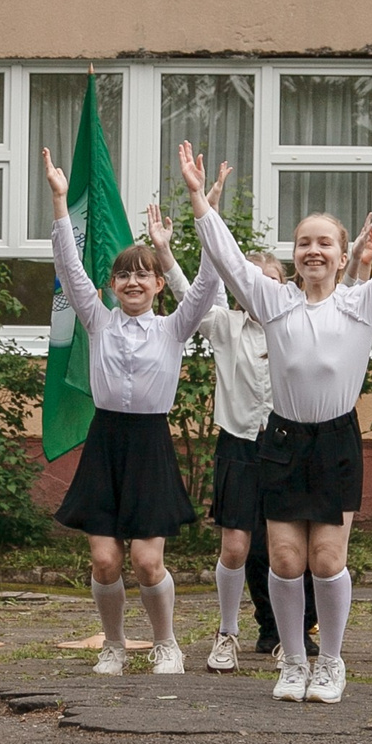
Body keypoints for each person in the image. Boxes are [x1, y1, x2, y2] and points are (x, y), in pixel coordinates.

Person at [184, 141, 372, 704]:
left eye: (324, 243)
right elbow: (227, 259)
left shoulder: (363, 302)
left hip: (336, 442)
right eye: (304, 242)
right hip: (282, 442)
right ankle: (292, 663)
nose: (313, 250)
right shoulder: (271, 301)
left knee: (326, 558)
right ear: (295, 255)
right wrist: (199, 199)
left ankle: (332, 662)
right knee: (287, 558)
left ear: (344, 256)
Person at [47, 148, 222, 677]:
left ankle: (166, 642)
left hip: (149, 445)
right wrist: (59, 203)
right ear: (112, 285)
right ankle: (115, 644)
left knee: (148, 562)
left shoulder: (174, 326)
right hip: (106, 443)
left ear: (158, 285)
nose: (133, 282)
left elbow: (210, 287)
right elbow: (69, 269)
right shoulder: (98, 321)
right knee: (104, 560)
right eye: (124, 275)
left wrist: (204, 219)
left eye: (143, 275)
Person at [146, 185, 279, 671]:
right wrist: (163, 250)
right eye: (252, 280)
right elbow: (191, 294)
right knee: (236, 545)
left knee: (283, 548)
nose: (258, 288)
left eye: (269, 280)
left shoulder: (291, 323)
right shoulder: (227, 325)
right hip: (239, 446)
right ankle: (227, 634)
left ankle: (287, 633)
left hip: (284, 446)